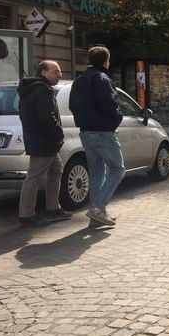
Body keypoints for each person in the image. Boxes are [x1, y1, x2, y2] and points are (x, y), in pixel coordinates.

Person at [69, 45, 124, 228]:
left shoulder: (79, 80)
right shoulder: (102, 78)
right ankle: (98, 208)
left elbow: (72, 105)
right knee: (117, 169)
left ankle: (96, 216)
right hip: (102, 132)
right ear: (106, 61)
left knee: (97, 173)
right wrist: (117, 118)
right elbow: (109, 103)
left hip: (85, 131)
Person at [17, 60, 72, 226]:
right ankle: (27, 215)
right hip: (44, 141)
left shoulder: (33, 89)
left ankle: (53, 209)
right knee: (34, 177)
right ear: (43, 72)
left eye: (60, 72)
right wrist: (58, 134)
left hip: (42, 140)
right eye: (55, 72)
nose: (59, 75)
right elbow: (48, 117)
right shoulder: (42, 90)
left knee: (56, 170)